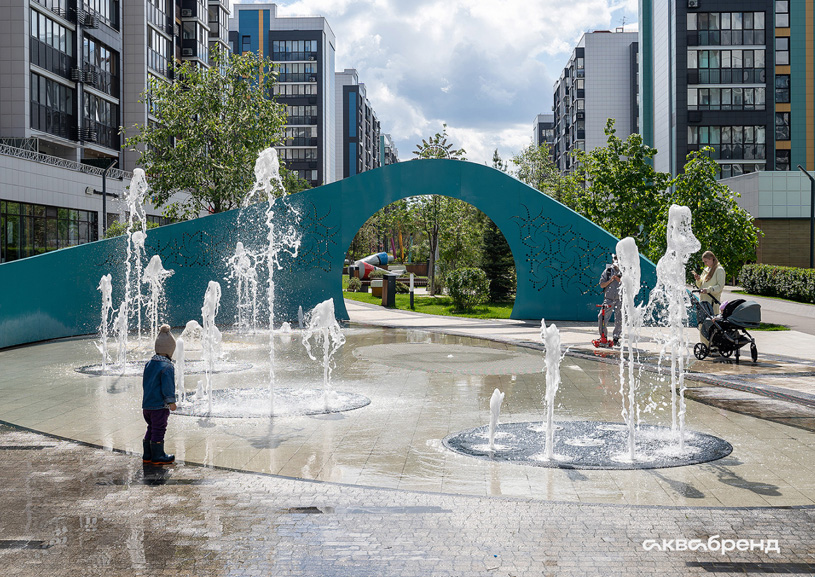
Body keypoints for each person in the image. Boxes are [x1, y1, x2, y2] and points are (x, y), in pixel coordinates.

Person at [142, 324, 177, 465]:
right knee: (159, 429)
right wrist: (171, 402)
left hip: (147, 406)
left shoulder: (149, 364)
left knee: (151, 427)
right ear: (170, 350)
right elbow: (167, 387)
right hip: (159, 406)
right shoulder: (167, 367)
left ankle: (147, 454)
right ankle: (158, 456)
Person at [693, 250, 726, 348]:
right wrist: (698, 280)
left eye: (706, 261)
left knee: (712, 325)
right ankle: (705, 345)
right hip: (703, 301)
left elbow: (720, 287)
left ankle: (714, 346)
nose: (705, 263)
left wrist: (708, 290)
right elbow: (701, 284)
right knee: (702, 324)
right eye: (704, 262)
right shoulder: (706, 269)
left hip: (712, 302)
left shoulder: (719, 270)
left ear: (712, 259)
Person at [595, 254, 622, 347]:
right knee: (601, 317)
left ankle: (616, 338)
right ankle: (603, 336)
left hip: (620, 298)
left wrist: (618, 279)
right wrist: (611, 280)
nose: (616, 261)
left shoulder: (624, 271)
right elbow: (602, 285)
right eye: (615, 259)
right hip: (609, 298)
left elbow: (629, 284)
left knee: (619, 318)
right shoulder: (608, 271)